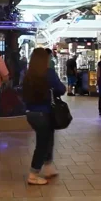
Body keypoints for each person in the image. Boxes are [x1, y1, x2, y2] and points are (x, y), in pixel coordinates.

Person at [22, 48, 66, 185]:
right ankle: (33, 174)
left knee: (48, 138)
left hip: (31, 113)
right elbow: (61, 89)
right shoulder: (49, 73)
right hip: (44, 112)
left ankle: (48, 166)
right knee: (42, 144)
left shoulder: (27, 74)